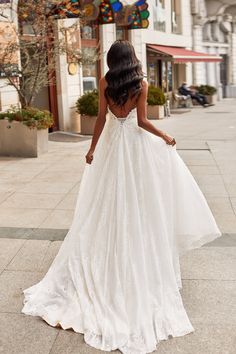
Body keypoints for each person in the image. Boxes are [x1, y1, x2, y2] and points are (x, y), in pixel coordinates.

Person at [21, 40, 222, 354]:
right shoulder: (140, 84)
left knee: (106, 198)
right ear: (132, 59)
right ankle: (136, 237)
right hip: (135, 147)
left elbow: (101, 119)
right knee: (139, 197)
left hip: (114, 146)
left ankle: (109, 240)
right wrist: (166, 136)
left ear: (112, 60)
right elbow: (141, 122)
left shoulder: (105, 82)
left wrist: (92, 149)